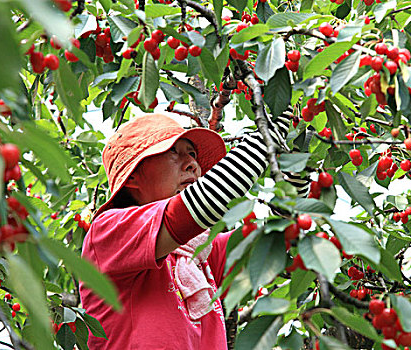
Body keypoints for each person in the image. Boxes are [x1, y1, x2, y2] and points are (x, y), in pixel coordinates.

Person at [79, 110, 307, 349]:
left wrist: (295, 174)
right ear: (133, 177)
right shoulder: (108, 233)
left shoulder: (201, 254)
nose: (192, 165)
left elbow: (279, 240)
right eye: (172, 153)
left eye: (192, 154)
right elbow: (203, 204)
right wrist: (265, 134)